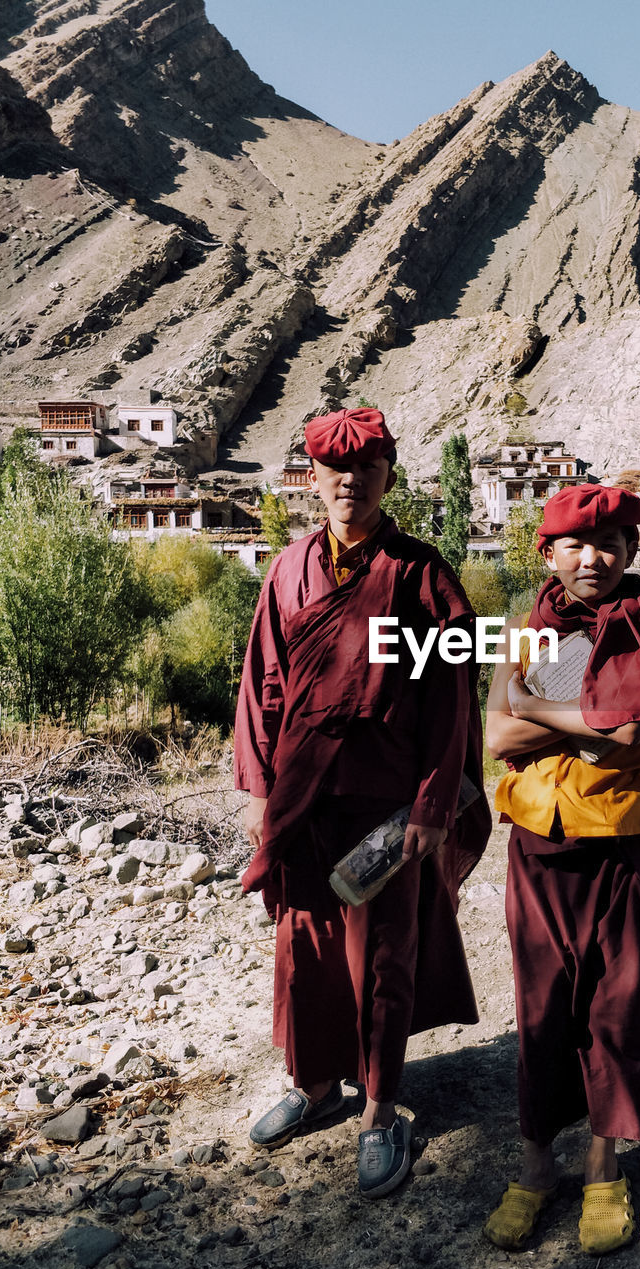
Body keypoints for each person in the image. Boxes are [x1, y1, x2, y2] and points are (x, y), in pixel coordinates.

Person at [234, 406, 490, 1199]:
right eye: (335, 469)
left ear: (388, 475)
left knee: (382, 955)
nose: (351, 482)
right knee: (302, 950)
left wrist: (432, 805)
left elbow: (454, 698)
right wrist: (256, 786)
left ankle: (380, 1111)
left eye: (367, 468)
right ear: (314, 479)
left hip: (385, 800)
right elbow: (261, 686)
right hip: (302, 798)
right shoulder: (287, 571)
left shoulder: (422, 573)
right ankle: (315, 1085)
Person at [483, 482, 640, 1254]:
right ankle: (537, 1166)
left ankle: (604, 1169)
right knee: (542, 1008)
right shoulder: (528, 631)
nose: (593, 558)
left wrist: (538, 709)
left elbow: (632, 736)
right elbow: (498, 740)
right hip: (538, 839)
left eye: (610, 544)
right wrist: (574, 724)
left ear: (631, 553)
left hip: (619, 841)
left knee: (616, 1007)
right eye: (575, 543)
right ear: (548, 552)